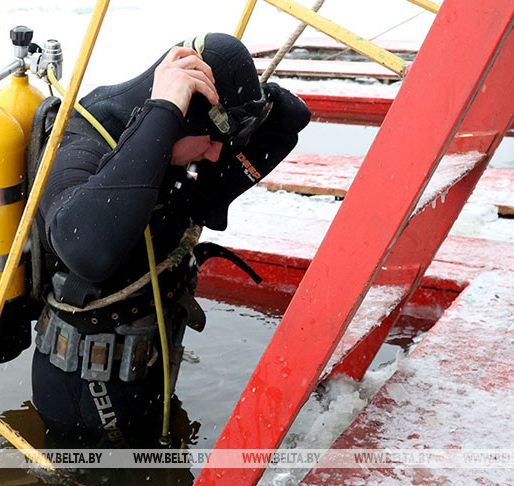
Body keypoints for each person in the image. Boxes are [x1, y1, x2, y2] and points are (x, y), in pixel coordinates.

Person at [30, 33, 310, 446]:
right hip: (86, 395)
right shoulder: (80, 140)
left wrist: (248, 96)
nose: (217, 155)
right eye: (211, 141)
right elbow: (86, 250)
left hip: (150, 362)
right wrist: (164, 110)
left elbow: (292, 120)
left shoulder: (178, 146)